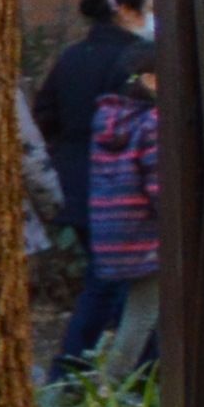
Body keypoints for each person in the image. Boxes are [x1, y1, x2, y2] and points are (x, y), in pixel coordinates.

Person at [36, 0, 159, 380]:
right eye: (149, 8)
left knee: (109, 286)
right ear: (124, 10)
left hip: (78, 186)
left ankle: (85, 375)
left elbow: (45, 116)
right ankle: (112, 377)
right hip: (132, 196)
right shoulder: (137, 62)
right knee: (125, 292)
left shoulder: (73, 57)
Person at [77, 61, 167, 379]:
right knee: (142, 315)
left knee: (129, 310)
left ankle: (108, 379)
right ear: (150, 79)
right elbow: (159, 185)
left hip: (114, 229)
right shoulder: (153, 122)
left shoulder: (108, 120)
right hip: (148, 234)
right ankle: (110, 386)